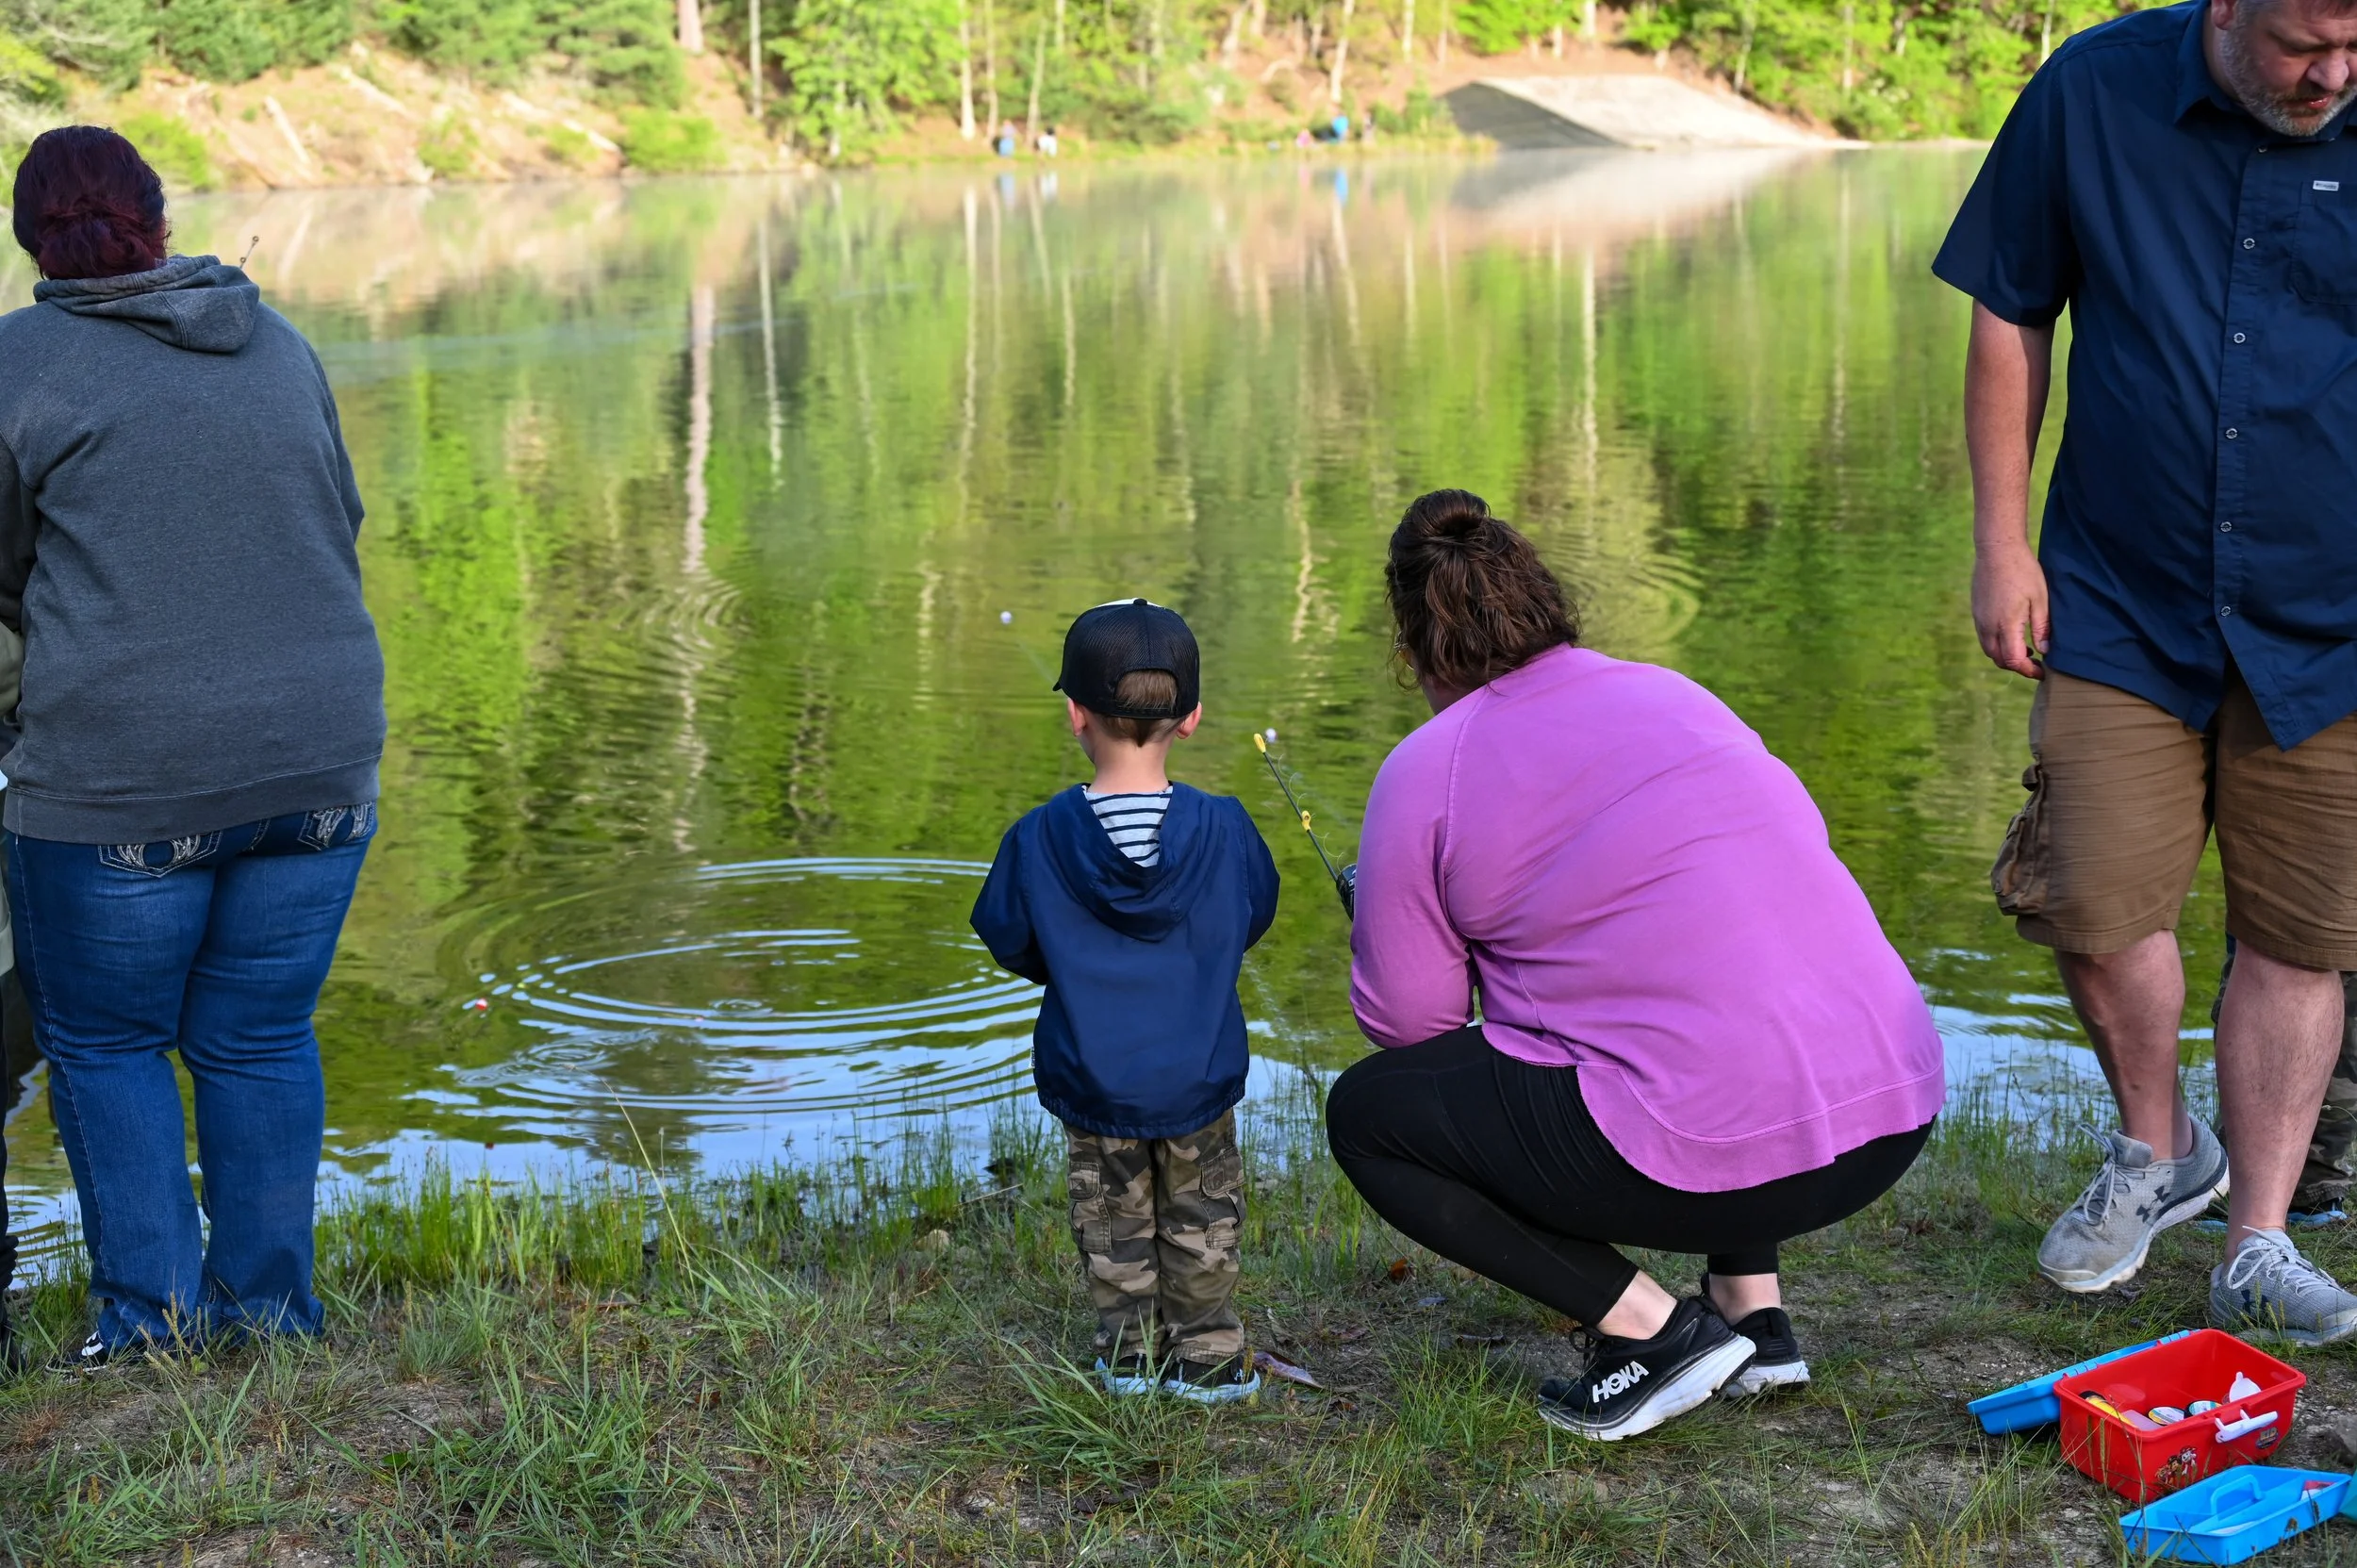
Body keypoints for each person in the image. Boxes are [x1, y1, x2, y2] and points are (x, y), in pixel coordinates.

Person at [1327, 491, 1944, 1442]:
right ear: (1545, 603)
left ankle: (1652, 1333)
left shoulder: (1427, 764)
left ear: (1411, 651)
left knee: (1370, 1115)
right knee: (1706, 996)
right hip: (1889, 1117)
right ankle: (1754, 1316)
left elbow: (1412, 1025)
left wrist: (1390, 919)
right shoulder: (1677, 694)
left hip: (1724, 1151)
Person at [1935, 0, 2357, 1343]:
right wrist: (2001, 544)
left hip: (2335, 619)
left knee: (2297, 935)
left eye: (2356, 46)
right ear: (2226, 6)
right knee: (2092, 896)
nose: (2333, 75)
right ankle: (2161, 1143)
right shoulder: (2092, 90)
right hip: (2119, 594)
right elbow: (2010, 314)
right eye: (2304, 46)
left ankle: (2258, 1241)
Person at [0, 126, 386, 1371]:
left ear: (31, 242)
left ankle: (152, 1326)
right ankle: (269, 1316)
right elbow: (338, 518)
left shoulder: (18, 363)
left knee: (108, 1043)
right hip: (321, 759)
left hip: (121, 775)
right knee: (259, 1036)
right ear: (161, 222)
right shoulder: (279, 342)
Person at [970, 599, 1279, 1403]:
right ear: (1192, 718)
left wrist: (1074, 962)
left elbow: (1008, 937)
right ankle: (1209, 1355)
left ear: (1076, 714)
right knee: (1204, 1215)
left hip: (1095, 1075)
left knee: (1111, 1218)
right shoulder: (1226, 826)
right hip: (1198, 1071)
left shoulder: (1037, 836)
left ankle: (1130, 1355)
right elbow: (1253, 913)